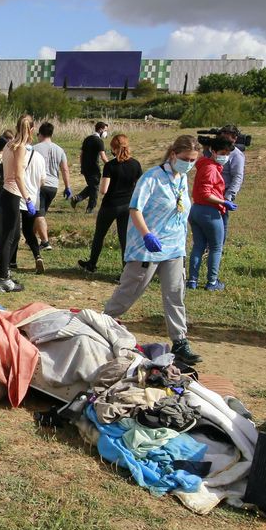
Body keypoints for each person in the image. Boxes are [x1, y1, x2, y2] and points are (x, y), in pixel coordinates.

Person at [101, 134, 202, 365]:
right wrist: (146, 234)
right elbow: (135, 208)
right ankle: (103, 324)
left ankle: (180, 341)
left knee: (175, 294)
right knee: (129, 292)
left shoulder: (181, 179)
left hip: (174, 248)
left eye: (193, 160)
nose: (189, 163)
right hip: (147, 248)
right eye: (186, 158)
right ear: (174, 154)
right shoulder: (153, 177)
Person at [76, 132, 141, 274]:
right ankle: (125, 269)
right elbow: (138, 185)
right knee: (124, 238)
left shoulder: (111, 166)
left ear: (113, 148)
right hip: (127, 205)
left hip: (110, 205)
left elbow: (103, 190)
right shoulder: (136, 164)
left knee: (99, 235)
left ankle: (91, 264)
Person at [0, 115, 47, 292]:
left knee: (15, 236)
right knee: (10, 237)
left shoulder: (9, 144)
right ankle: (3, 278)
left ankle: (5, 273)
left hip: (7, 193)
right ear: (32, 130)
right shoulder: (20, 148)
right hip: (13, 194)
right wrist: (28, 199)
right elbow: (18, 175)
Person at [187, 137, 234, 291]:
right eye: (222, 153)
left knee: (199, 245)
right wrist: (223, 202)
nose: (225, 156)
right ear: (213, 152)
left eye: (227, 153)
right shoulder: (211, 168)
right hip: (209, 211)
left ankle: (192, 280)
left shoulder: (204, 165)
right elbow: (206, 193)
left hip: (196, 210)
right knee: (216, 247)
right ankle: (212, 282)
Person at [30, 121, 69, 249]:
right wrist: (67, 187)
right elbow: (64, 169)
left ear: (40, 134)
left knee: (39, 215)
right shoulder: (59, 149)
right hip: (53, 186)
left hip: (40, 185)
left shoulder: (35, 149)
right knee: (40, 213)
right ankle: (30, 236)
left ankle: (45, 242)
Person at [77, 120, 108, 212]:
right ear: (101, 129)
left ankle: (77, 198)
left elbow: (81, 154)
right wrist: (111, 165)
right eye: (106, 130)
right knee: (94, 188)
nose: (106, 132)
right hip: (94, 168)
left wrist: (82, 166)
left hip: (85, 168)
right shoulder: (99, 141)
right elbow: (103, 156)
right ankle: (90, 208)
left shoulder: (87, 139)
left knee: (92, 186)